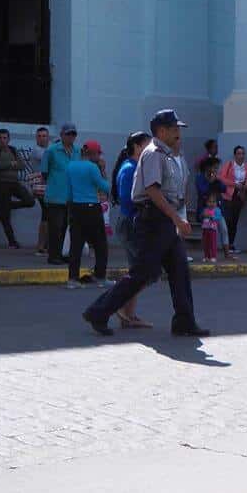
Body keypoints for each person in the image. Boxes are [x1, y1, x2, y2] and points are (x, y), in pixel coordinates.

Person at [83, 109, 210, 338]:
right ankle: (98, 311)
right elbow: (152, 190)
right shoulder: (153, 154)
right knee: (143, 273)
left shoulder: (169, 155)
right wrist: (176, 218)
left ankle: (184, 321)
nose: (178, 133)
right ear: (161, 131)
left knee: (179, 270)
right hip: (154, 220)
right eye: (174, 129)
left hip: (164, 221)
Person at [110, 131, 153, 329]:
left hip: (130, 222)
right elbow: (129, 199)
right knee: (147, 270)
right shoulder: (130, 169)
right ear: (137, 147)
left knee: (137, 271)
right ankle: (118, 304)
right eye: (147, 145)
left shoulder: (134, 167)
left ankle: (129, 315)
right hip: (130, 224)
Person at [64, 140, 111, 289]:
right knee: (100, 244)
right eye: (98, 154)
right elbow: (104, 186)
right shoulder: (92, 167)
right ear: (93, 153)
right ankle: (100, 276)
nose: (99, 157)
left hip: (75, 206)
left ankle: (72, 279)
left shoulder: (70, 166)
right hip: (91, 207)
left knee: (76, 245)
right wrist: (103, 170)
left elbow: (68, 190)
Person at [0, 128, 35, 249]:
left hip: (14, 183)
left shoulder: (13, 150)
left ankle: (7, 205)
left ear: (8, 139)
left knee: (30, 201)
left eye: (4, 138)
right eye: (0, 138)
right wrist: (11, 163)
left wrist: (7, 164)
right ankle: (12, 241)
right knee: (5, 214)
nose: (2, 140)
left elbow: (22, 165)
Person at [41, 123, 80, 265]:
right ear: (62, 135)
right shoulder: (52, 151)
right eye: (68, 134)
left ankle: (60, 253)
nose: (71, 137)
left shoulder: (77, 151)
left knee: (65, 227)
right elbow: (44, 172)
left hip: (71, 196)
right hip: (55, 195)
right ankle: (53, 255)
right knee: (55, 227)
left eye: (73, 134)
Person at [220, 145, 247, 252]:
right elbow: (221, 178)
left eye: (243, 154)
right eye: (239, 153)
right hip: (228, 194)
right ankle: (225, 244)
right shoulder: (229, 165)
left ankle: (231, 244)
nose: (241, 156)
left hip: (240, 195)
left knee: (235, 220)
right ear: (235, 155)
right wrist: (234, 184)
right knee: (227, 219)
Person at [195, 156, 231, 258]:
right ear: (208, 167)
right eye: (214, 167)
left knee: (223, 229)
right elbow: (202, 191)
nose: (216, 170)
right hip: (205, 209)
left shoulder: (217, 178)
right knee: (208, 232)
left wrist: (217, 180)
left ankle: (227, 254)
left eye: (217, 168)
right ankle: (208, 254)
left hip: (217, 209)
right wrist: (210, 181)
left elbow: (224, 189)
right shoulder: (200, 178)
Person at [29, 126, 51, 254]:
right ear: (36, 138)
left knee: (48, 215)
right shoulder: (37, 151)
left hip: (49, 186)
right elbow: (49, 159)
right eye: (40, 136)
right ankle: (41, 245)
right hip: (41, 187)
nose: (42, 138)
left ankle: (44, 245)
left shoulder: (49, 149)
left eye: (44, 136)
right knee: (47, 214)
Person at [201, 185, 226, 262]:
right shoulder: (205, 209)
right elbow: (202, 216)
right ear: (206, 202)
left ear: (216, 202)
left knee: (213, 243)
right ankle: (206, 256)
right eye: (209, 202)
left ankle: (213, 256)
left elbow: (218, 217)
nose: (211, 203)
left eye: (213, 202)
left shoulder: (217, 210)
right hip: (205, 229)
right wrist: (203, 215)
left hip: (213, 229)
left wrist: (212, 217)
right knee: (206, 244)